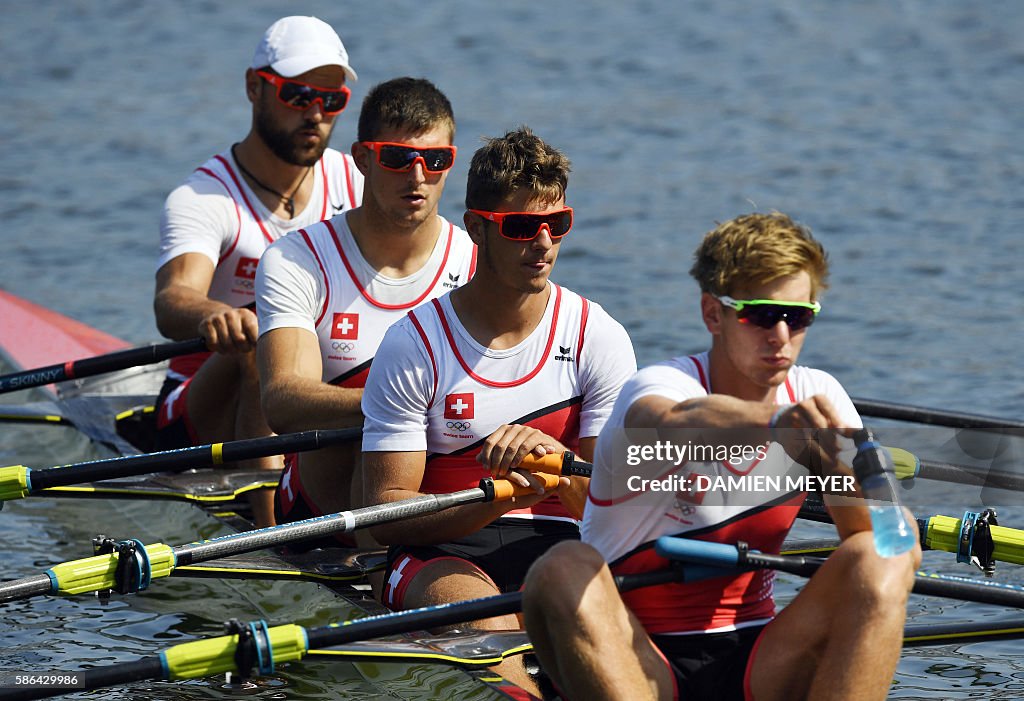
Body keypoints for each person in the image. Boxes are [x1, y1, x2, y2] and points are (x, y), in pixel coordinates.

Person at [522, 212, 921, 701]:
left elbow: (886, 539)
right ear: (714, 314)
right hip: (633, 653)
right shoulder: (659, 386)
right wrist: (775, 425)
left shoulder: (820, 394)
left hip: (761, 658)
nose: (780, 336)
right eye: (759, 314)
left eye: (797, 317)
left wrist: (840, 466)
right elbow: (675, 422)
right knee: (561, 565)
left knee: (884, 553)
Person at [359, 126, 637, 695]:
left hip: (562, 542)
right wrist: (502, 494)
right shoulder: (415, 344)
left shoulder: (597, 336)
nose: (543, 244)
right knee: (493, 625)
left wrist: (556, 467)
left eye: (556, 224)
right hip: (441, 553)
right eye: (521, 227)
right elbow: (382, 515)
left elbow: (619, 510)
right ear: (479, 228)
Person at [153, 16, 363, 527]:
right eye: (298, 96)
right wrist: (216, 314)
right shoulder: (205, 196)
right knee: (259, 343)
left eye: (331, 101)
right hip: (200, 402)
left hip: (305, 391)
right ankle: (273, 534)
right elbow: (174, 297)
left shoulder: (356, 182)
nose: (316, 113)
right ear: (254, 87)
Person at [256, 77, 476, 547]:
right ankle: (389, 578)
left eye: (436, 160)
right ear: (362, 159)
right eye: (397, 158)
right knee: (375, 431)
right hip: (323, 499)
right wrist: (397, 410)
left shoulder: (476, 262)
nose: (417, 176)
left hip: (436, 489)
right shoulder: (299, 259)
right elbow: (282, 402)